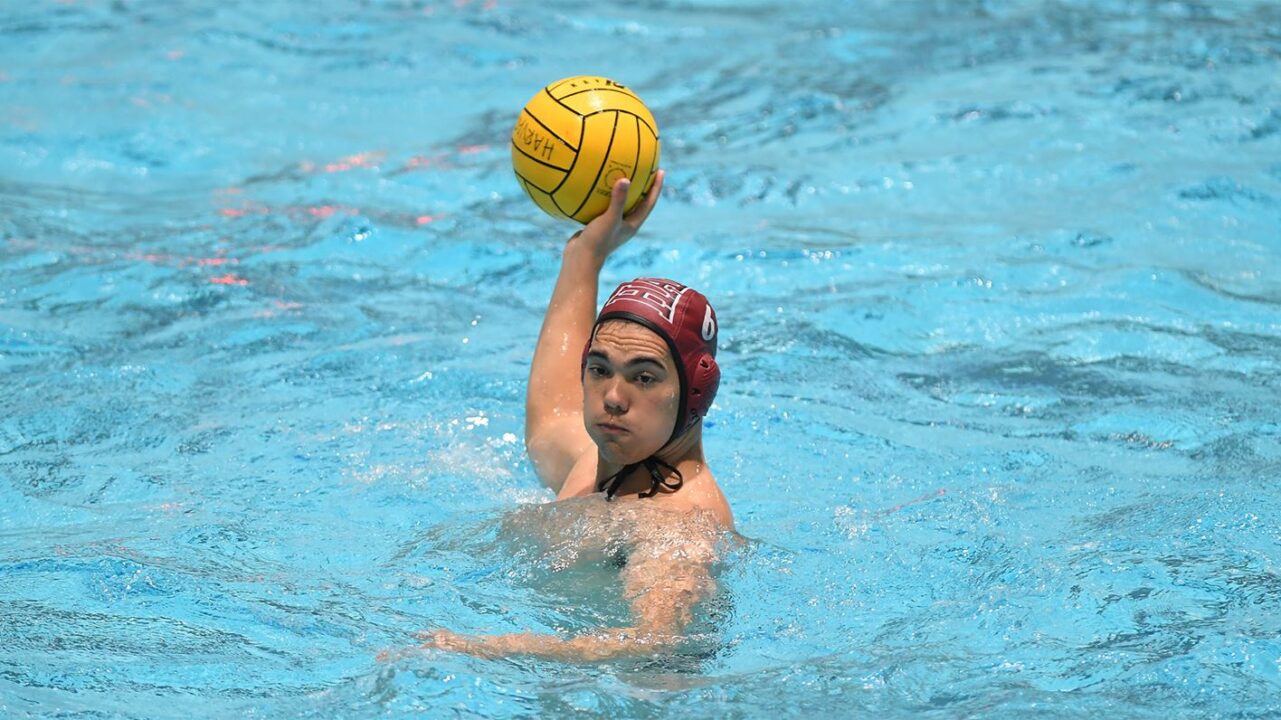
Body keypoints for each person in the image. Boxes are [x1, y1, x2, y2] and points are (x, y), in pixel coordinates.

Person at [416, 170, 735, 661]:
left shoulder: (678, 525)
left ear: (694, 392)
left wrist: (482, 649)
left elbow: (654, 643)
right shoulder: (602, 458)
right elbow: (548, 422)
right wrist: (585, 254)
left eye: (644, 377)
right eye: (598, 368)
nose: (612, 396)